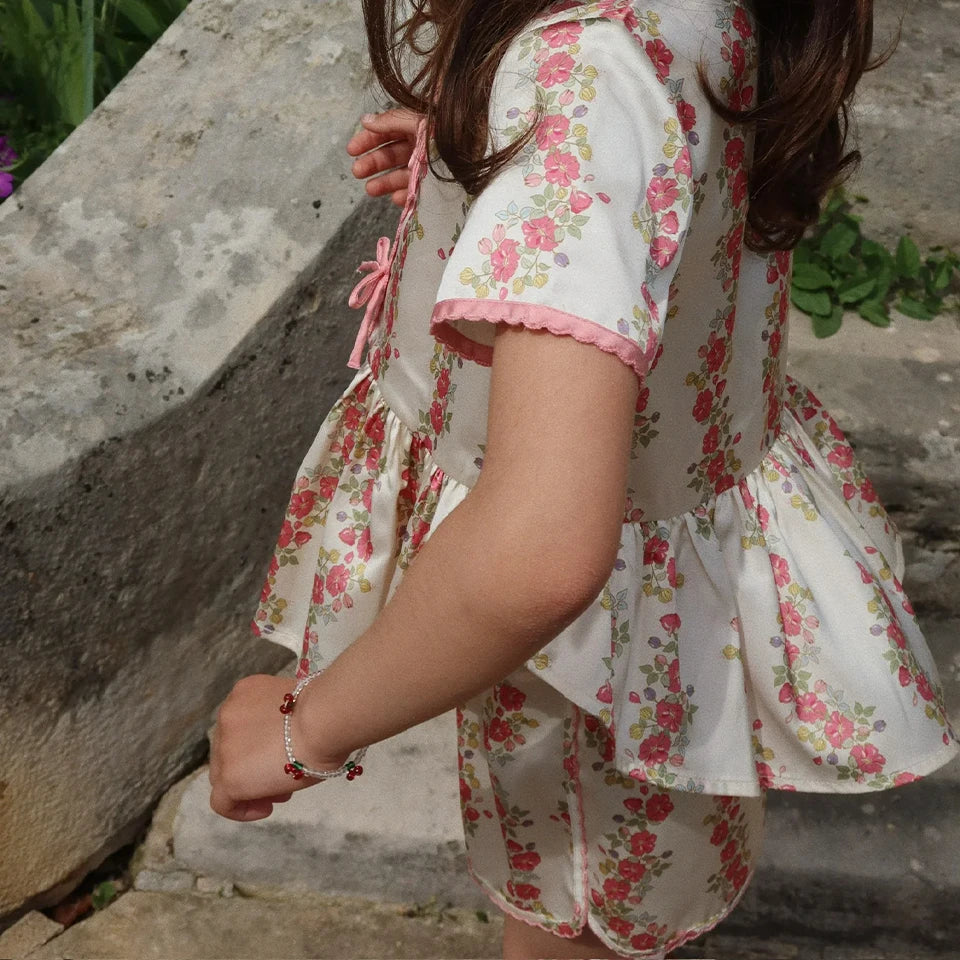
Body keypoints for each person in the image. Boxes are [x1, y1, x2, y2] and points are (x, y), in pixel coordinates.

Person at [208, 0, 960, 956]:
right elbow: (649, 152)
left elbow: (537, 547)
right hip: (654, 628)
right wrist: (493, 166)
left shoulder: (584, 71)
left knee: (569, 933)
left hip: (598, 674)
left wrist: (303, 732)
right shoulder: (643, 43)